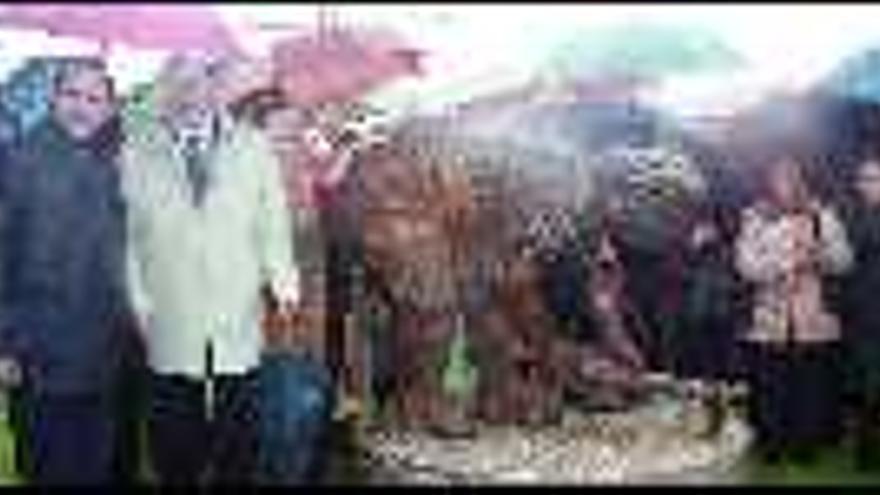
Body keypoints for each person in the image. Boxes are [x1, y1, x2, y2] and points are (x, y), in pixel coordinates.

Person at [119, 54, 299, 485]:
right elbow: (128, 239)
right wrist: (138, 302)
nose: (189, 93)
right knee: (174, 441)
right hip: (169, 314)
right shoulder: (136, 153)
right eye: (178, 83)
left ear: (215, 90)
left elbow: (272, 225)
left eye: (197, 82)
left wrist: (285, 287)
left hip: (236, 312)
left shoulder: (252, 146)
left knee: (239, 440)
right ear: (165, 91)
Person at [0, 58, 131, 484]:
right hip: (39, 358)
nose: (81, 106)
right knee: (46, 469)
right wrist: (5, 345)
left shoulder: (115, 165)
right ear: (53, 99)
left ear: (110, 108)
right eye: (71, 94)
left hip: (102, 356)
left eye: (94, 98)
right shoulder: (17, 161)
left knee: (93, 469)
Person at [734, 150, 853, 463]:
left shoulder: (821, 215)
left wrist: (819, 258)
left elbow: (844, 260)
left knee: (808, 386)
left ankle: (805, 446)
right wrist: (777, 267)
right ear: (769, 182)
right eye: (778, 178)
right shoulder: (755, 216)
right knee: (771, 385)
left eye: (790, 178)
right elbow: (744, 265)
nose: (784, 184)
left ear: (800, 181)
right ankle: (772, 445)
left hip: (812, 319)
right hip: (770, 320)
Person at [840, 156, 880, 470]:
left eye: (876, 178)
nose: (871, 185)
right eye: (866, 179)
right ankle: (866, 451)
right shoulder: (852, 215)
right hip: (865, 312)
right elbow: (849, 252)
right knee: (868, 383)